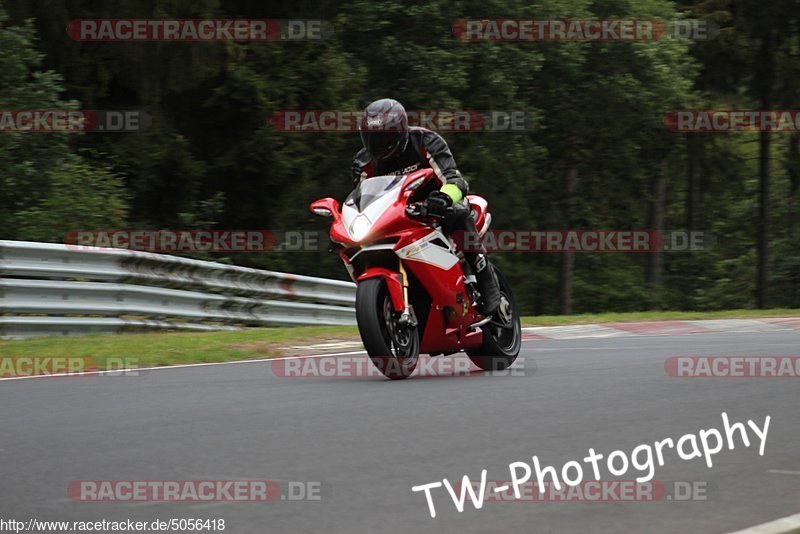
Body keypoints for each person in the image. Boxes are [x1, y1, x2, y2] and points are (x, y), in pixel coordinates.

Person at [351, 98, 501, 315]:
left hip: (436, 208)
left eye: (384, 138)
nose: (378, 145)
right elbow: (361, 198)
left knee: (457, 213)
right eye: (372, 138)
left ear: (400, 132)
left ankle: (483, 273)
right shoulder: (363, 162)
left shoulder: (425, 141)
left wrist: (443, 198)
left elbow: (455, 180)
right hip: (395, 216)